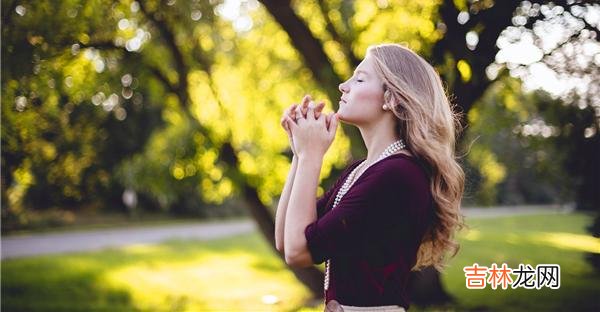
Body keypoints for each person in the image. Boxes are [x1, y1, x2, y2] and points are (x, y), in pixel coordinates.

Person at [275, 43, 466, 311]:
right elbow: (286, 241)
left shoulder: (397, 175)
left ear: (392, 99)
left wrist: (311, 156)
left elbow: (299, 253)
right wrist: (300, 152)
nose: (343, 85)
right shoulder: (362, 170)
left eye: (360, 78)